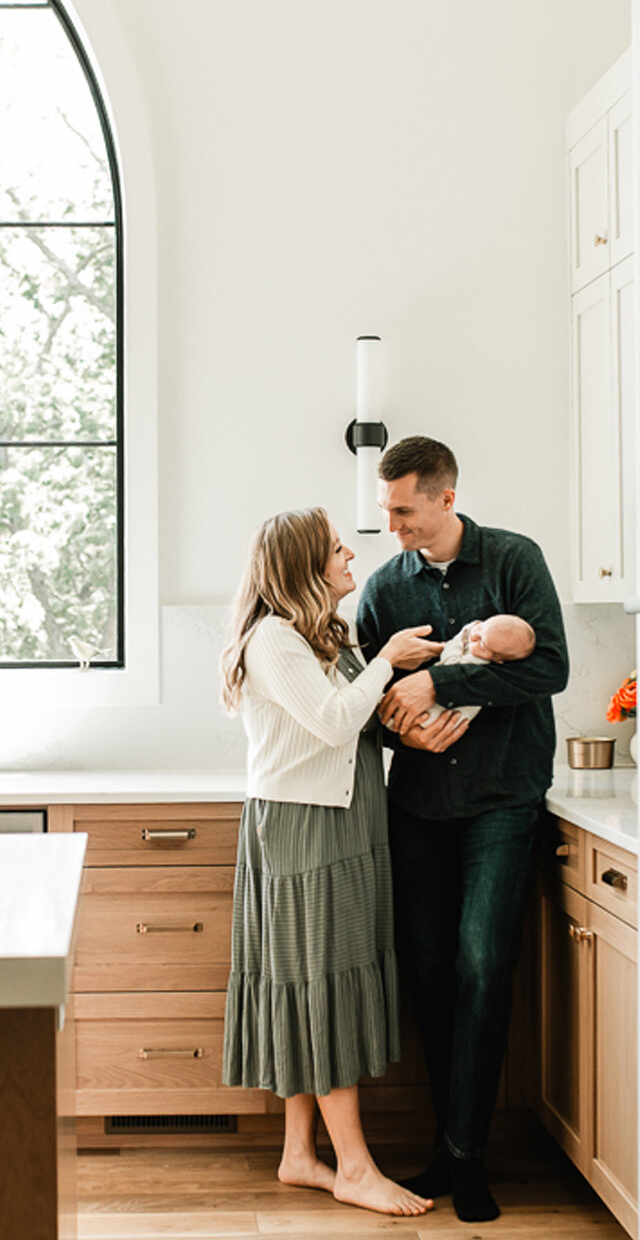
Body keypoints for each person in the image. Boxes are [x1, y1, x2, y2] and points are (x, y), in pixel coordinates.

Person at [355, 437, 569, 1224]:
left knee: (483, 962)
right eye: (387, 511)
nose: (394, 526)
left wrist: (440, 679)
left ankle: (470, 1156)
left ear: (446, 497)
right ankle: (448, 1146)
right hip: (417, 806)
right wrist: (403, 730)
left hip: (503, 800)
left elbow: (549, 668)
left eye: (404, 510)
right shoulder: (384, 588)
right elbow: (364, 703)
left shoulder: (515, 560)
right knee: (431, 973)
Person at [219, 505, 455, 1218]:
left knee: (311, 983)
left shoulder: (320, 632)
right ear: (302, 567)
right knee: (319, 986)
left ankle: (300, 1154)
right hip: (305, 829)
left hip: (342, 822)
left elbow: (357, 722)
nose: (350, 553)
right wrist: (387, 661)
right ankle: (353, 1168)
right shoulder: (273, 639)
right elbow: (331, 720)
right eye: (333, 548)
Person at [384, 614, 537, 731]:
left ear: (497, 660)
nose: (474, 636)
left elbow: (449, 661)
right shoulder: (487, 650)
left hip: (443, 715)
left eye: (482, 642)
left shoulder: (475, 663)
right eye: (481, 627)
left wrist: (453, 641)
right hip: (452, 718)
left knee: (425, 717)